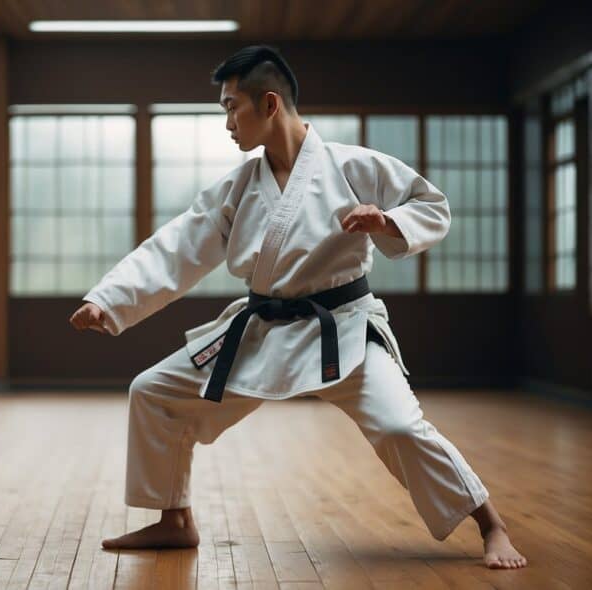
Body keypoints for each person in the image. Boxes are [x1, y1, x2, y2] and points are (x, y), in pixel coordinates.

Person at [68, 45, 527, 569]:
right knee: (153, 392)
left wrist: (386, 221)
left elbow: (431, 205)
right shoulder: (239, 187)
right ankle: (175, 521)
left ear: (269, 105)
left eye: (230, 108)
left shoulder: (353, 165)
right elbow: (178, 246)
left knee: (401, 426)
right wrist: (109, 298)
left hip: (343, 329)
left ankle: (492, 525)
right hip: (262, 330)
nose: (227, 124)